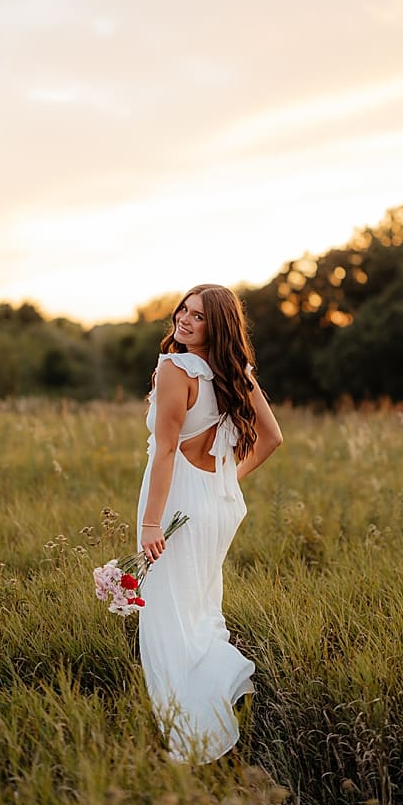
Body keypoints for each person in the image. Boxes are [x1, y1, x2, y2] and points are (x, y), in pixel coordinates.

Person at [135, 284, 282, 763]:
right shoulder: (235, 372)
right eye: (184, 308)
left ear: (215, 326)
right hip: (214, 504)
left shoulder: (174, 368)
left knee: (167, 619)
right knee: (195, 608)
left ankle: (196, 724)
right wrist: (226, 482)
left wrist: (151, 524)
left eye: (198, 316)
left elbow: (164, 453)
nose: (184, 319)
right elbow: (272, 439)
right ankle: (222, 693)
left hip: (178, 501)